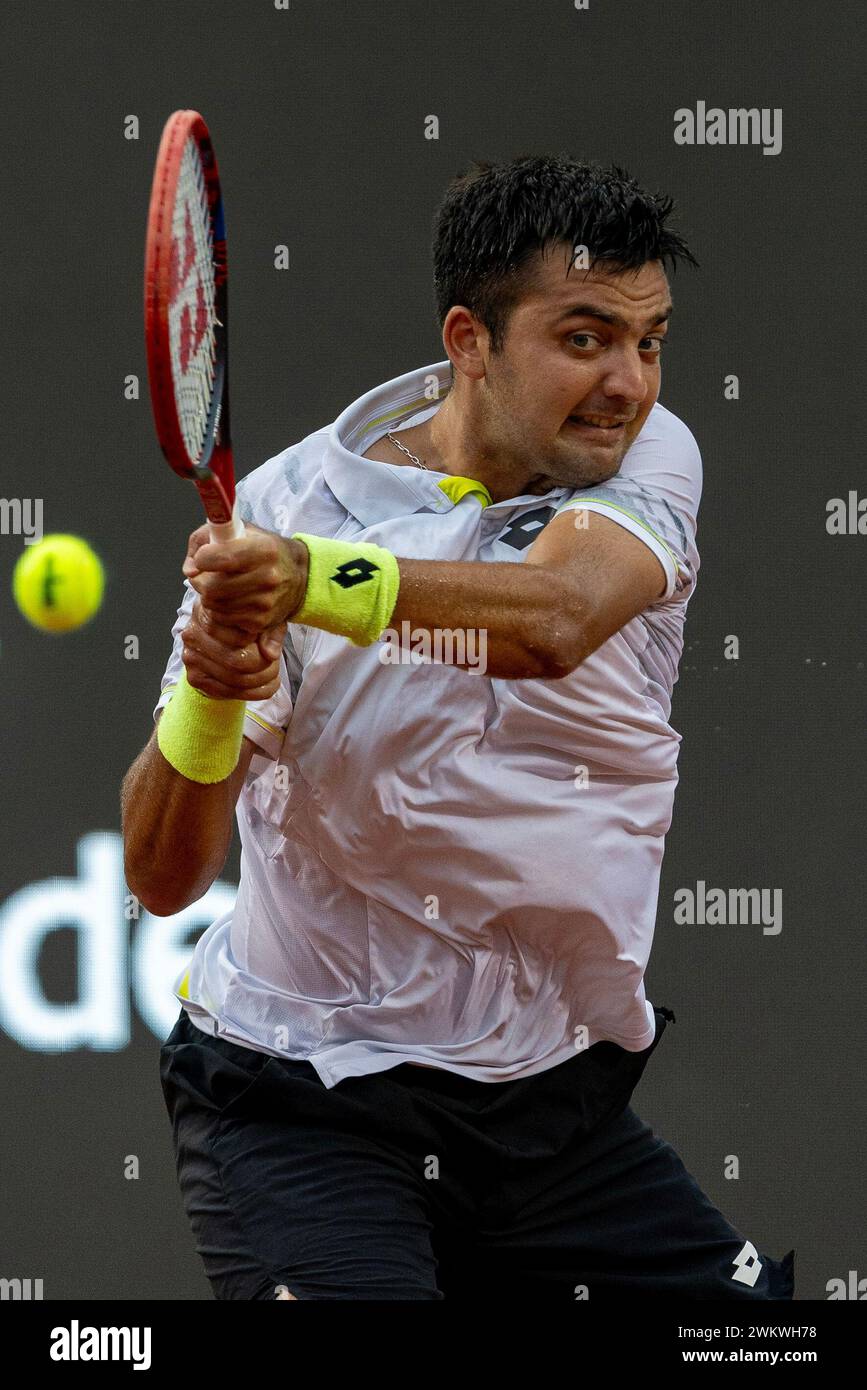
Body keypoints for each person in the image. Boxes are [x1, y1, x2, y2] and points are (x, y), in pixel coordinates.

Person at [122, 154, 795, 1301]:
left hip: (549, 1107)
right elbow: (163, 874)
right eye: (584, 338)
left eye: (651, 340)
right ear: (469, 340)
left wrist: (302, 581)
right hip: (304, 1103)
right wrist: (211, 685)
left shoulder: (645, 457)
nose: (629, 382)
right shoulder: (288, 508)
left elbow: (555, 621)